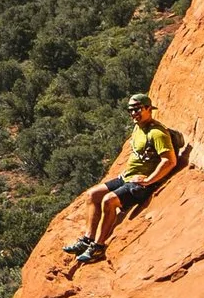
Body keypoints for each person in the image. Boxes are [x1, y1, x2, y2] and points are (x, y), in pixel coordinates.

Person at [64, 93, 187, 266]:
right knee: (93, 195)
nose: (133, 113)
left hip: (141, 183)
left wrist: (149, 180)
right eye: (131, 110)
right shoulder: (138, 127)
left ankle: (97, 247)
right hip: (128, 177)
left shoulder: (157, 133)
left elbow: (170, 161)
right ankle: (87, 239)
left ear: (148, 109)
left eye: (137, 109)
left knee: (109, 201)